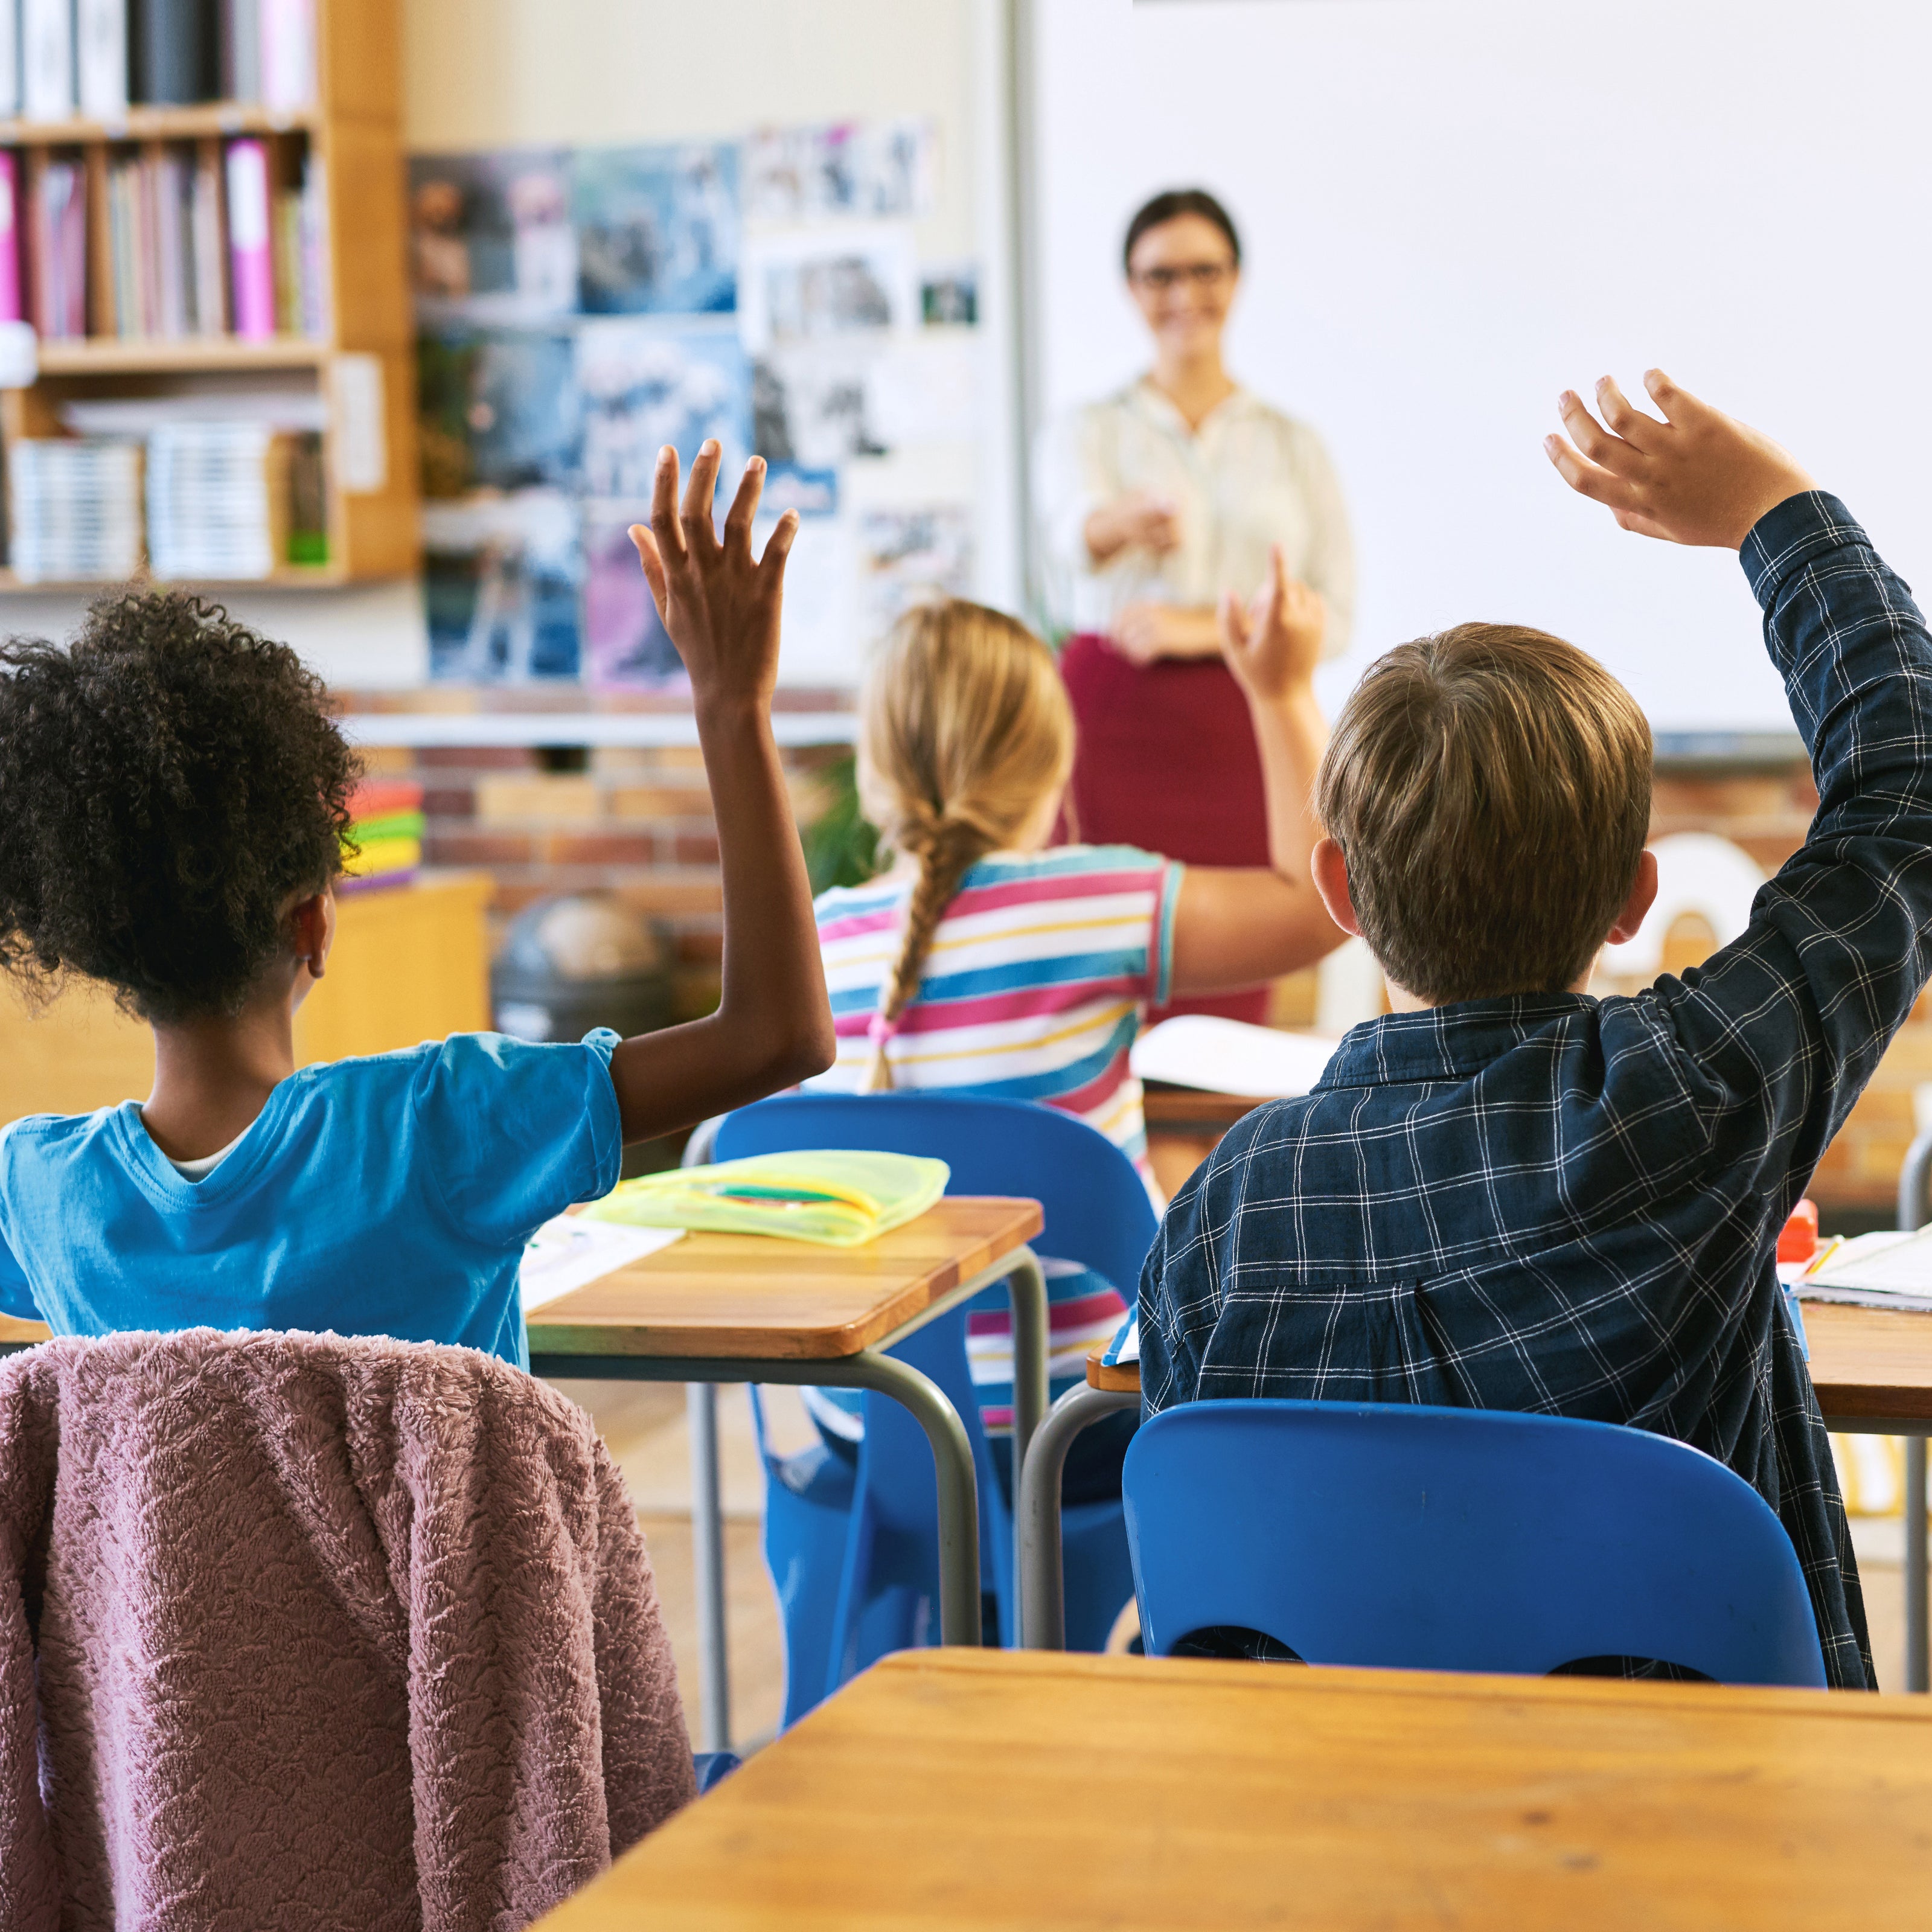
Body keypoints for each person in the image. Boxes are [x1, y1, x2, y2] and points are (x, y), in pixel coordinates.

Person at [1138, 371, 1932, 1689]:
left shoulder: (1217, 1218)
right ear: (1633, 902)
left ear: (1338, 894)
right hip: (1703, 1847)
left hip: (1323, 1846)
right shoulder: (1685, 1105)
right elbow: (1905, 786)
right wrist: (1770, 512)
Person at [0, 442, 836, 1363]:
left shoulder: (40, 1194)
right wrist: (730, 705)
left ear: (94, 946)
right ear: (312, 926)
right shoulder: (439, 1129)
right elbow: (780, 1037)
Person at [804, 553, 1344, 1495]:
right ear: (1054, 763)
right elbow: (1323, 902)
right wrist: (1282, 689)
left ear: (876, 768)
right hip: (1075, 1429)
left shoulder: (817, 944)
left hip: (869, 1431)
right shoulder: (1092, 902)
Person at [1035, 187, 1354, 1025]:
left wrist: (1199, 626)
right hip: (1113, 723)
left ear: (1236, 279)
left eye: (1205, 270)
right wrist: (1118, 523)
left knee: (1242, 966)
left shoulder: (1292, 443)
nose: (1185, 294)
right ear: (1131, 289)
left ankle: (1221, 1154)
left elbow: (1336, 610)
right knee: (1101, 964)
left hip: (1247, 725)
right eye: (1160, 275)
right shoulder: (1089, 428)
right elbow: (1072, 533)